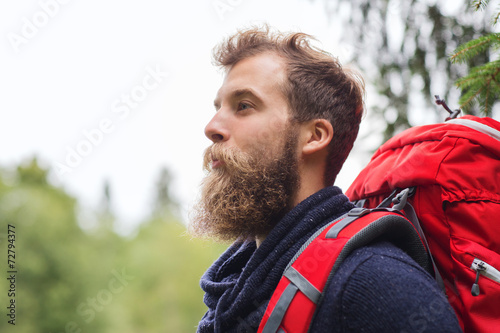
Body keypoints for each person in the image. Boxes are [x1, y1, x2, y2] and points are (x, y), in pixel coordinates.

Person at [189, 25, 462, 333]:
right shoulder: (232, 290)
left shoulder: (373, 282)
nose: (212, 127)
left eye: (244, 106)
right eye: (218, 107)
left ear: (314, 136)